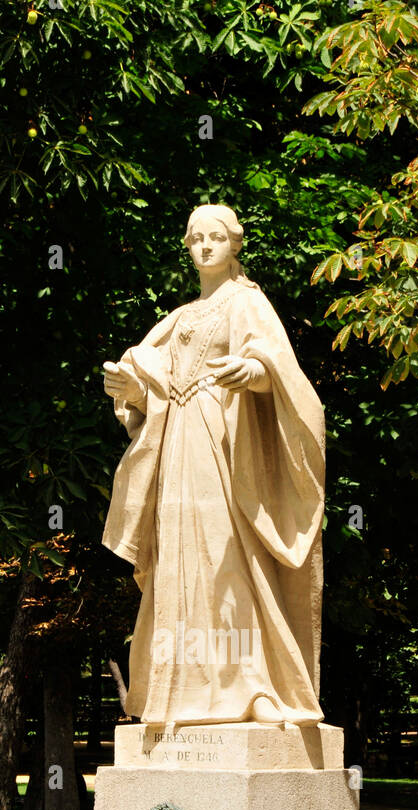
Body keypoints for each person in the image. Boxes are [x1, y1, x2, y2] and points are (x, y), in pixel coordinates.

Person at [101, 203, 325, 727]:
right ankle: (177, 692)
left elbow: (280, 372)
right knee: (180, 562)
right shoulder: (180, 316)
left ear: (235, 244)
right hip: (179, 441)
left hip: (225, 441)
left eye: (216, 237)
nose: (205, 246)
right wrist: (130, 388)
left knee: (229, 558)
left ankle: (254, 687)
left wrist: (252, 370)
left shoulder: (246, 303)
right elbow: (153, 384)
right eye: (196, 238)